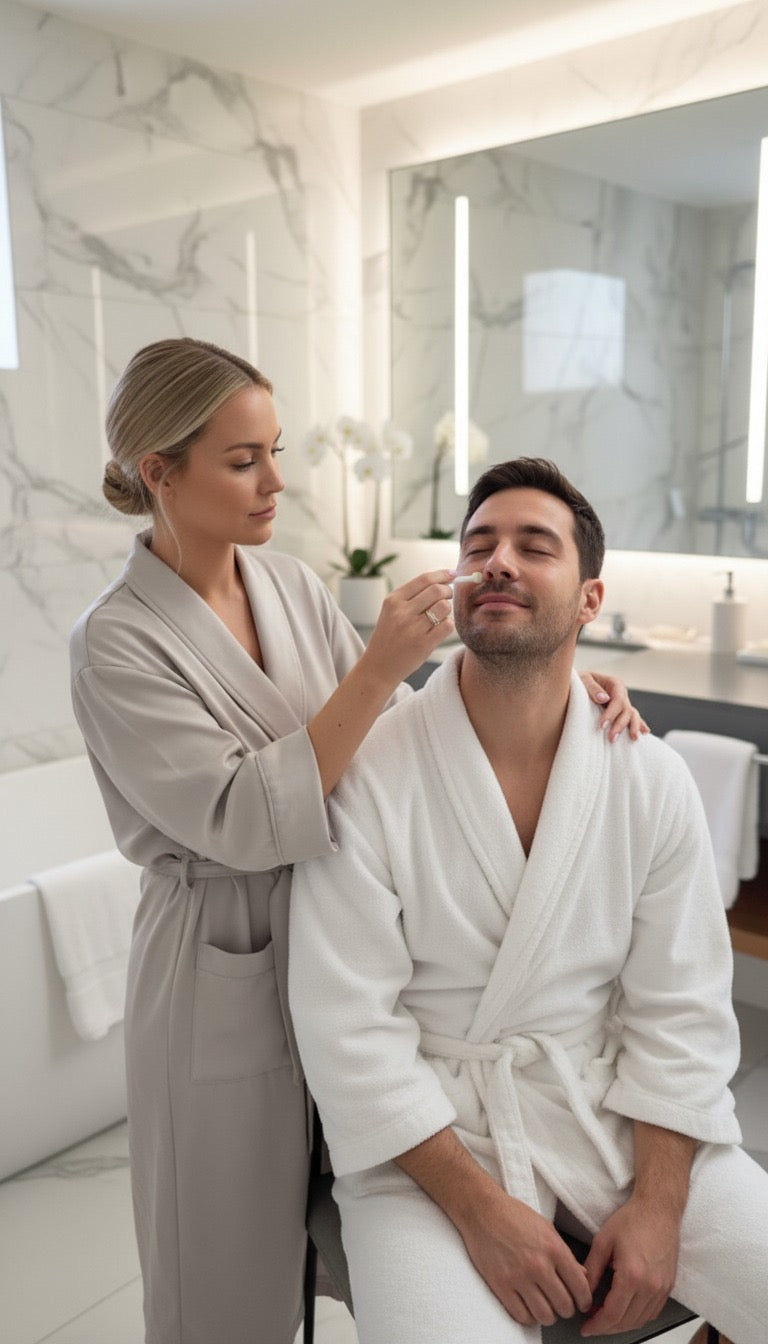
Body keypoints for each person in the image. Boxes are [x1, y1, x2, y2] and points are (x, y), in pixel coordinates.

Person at [69, 343, 643, 1344]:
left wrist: (563, 689)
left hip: (340, 943)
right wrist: (380, 662)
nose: (278, 482)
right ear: (159, 472)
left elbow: (384, 751)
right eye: (244, 460)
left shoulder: (287, 584)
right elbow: (245, 820)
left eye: (276, 451)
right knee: (223, 1278)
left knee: (354, 1231)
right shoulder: (116, 641)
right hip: (224, 966)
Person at [288, 457, 767, 1344]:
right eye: (480, 544)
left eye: (533, 546)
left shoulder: (647, 778)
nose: (498, 560)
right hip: (429, 1148)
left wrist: (660, 1207)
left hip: (611, 1114)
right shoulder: (369, 773)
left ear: (590, 600)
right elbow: (347, 1027)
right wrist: (480, 1212)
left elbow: (681, 1012)